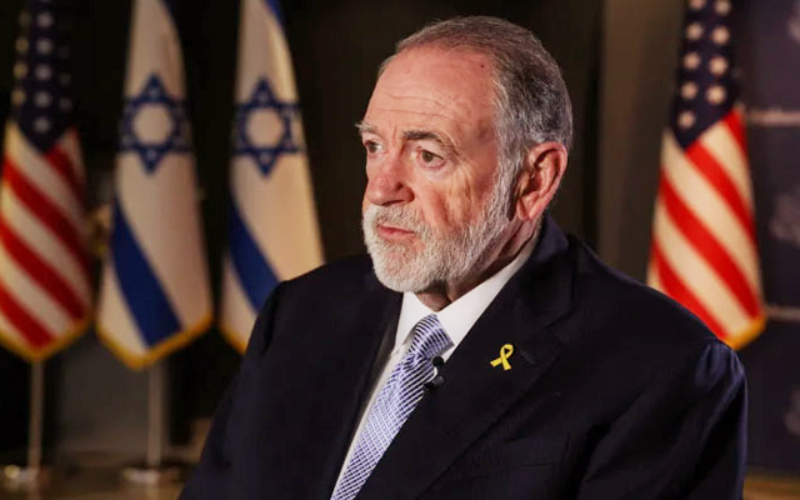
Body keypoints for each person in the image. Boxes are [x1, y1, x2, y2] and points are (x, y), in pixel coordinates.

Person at [181, 16, 746, 500]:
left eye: (428, 154)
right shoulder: (301, 313)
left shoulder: (661, 369)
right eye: (374, 146)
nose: (381, 188)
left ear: (533, 179)